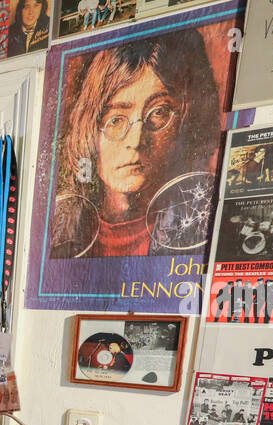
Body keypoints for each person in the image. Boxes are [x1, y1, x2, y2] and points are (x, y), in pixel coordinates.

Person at [50, 29, 220, 259]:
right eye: (116, 120)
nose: (136, 140)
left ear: (185, 121)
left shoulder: (200, 226)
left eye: (159, 113)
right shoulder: (59, 232)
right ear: (90, 127)